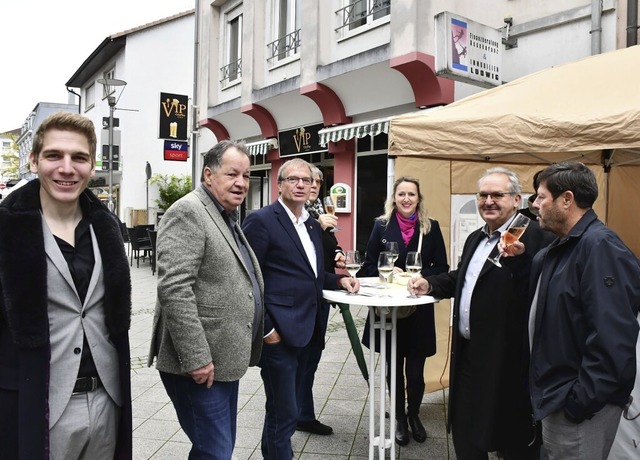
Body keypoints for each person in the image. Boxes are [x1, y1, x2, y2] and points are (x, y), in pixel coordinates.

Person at [0, 111, 132, 459]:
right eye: (54, 155)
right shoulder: (7, 228)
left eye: (79, 158)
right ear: (34, 160)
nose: (66, 168)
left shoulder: (107, 228)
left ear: (92, 165)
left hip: (107, 399)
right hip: (40, 401)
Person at [408, 167, 553, 459]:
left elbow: (539, 287)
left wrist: (521, 260)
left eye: (497, 195)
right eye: (483, 195)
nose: (489, 201)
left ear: (516, 200)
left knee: (512, 439)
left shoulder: (533, 235)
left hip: (509, 361)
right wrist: (430, 284)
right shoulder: (478, 237)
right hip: (469, 355)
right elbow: (465, 276)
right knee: (466, 431)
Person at [148, 140, 264, 459]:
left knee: (213, 449)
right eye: (232, 174)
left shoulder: (226, 215)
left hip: (222, 360)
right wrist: (197, 357)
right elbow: (174, 288)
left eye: (246, 175)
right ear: (208, 175)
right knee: (216, 450)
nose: (241, 182)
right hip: (199, 363)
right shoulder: (189, 210)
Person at [242, 158, 359, 460]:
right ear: (279, 184)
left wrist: (340, 280)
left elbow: (312, 274)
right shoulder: (262, 220)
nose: (300, 185)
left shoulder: (311, 223)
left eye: (306, 181)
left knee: (284, 412)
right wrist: (267, 329)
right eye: (293, 179)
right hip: (278, 333)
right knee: (284, 413)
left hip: (307, 328)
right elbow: (246, 280)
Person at [526, 161, 640, 459]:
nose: (534, 205)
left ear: (567, 199)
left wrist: (579, 402)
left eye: (540, 197)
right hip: (558, 397)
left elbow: (613, 339)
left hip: (578, 407)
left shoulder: (601, 248)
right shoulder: (562, 247)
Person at [359, 176, 449, 446]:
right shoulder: (381, 226)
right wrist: (388, 271)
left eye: (411, 194)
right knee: (393, 367)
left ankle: (414, 415)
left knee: (416, 371)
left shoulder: (430, 228)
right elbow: (367, 266)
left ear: (418, 198)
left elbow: (442, 268)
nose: (406, 199)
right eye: (401, 194)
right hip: (389, 309)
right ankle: (398, 417)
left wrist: (423, 276)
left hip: (418, 308)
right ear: (394, 199)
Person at [296, 165, 345, 436]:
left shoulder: (317, 213)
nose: (313, 185)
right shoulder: (300, 217)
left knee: (312, 358)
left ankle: (304, 413)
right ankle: (287, 422)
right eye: (306, 180)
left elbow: (329, 243)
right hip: (302, 302)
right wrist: (318, 225)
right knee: (298, 361)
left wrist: (337, 251)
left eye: (316, 181)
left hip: (321, 296)